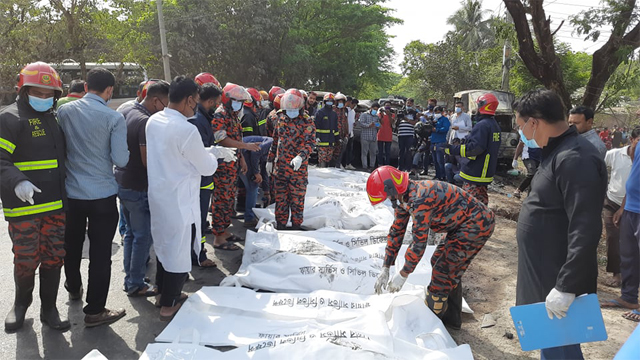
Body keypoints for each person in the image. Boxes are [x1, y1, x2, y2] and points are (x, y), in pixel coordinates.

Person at [514, 89, 607, 360]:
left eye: (521, 126)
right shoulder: (557, 153)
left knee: (561, 349)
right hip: (544, 272)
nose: (522, 133)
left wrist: (567, 285)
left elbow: (585, 226)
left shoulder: (576, 159)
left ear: (534, 122)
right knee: (552, 344)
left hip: (557, 276)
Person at [146, 75, 233, 320]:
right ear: (188, 99)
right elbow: (206, 168)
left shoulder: (154, 121)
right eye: (195, 101)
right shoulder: (186, 128)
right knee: (178, 250)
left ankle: (163, 294)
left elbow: (176, 153)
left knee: (163, 246)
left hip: (160, 194)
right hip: (180, 199)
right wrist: (216, 155)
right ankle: (169, 304)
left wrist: (210, 149)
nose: (195, 106)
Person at [369, 166, 495, 329]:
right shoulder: (403, 198)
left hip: (477, 224)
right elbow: (396, 232)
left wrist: (403, 274)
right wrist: (386, 267)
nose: (386, 201)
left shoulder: (420, 199)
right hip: (460, 224)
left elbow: (419, 243)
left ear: (392, 189)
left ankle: (430, 327)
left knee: (443, 272)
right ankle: (452, 319)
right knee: (439, 261)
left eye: (385, 197)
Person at [57, 67, 130, 327]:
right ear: (109, 90)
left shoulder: (64, 111)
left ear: (86, 87)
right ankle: (95, 310)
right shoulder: (113, 118)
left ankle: (73, 287)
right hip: (102, 195)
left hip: (72, 194)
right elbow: (121, 159)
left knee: (72, 244)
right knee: (100, 253)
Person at [1, 62, 69, 331]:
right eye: (37, 93)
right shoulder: (10, 118)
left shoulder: (54, 118)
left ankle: (49, 309)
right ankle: (20, 305)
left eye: (48, 94)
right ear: (23, 89)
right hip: (23, 207)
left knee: (54, 257)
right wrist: (18, 181)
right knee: (26, 259)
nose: (43, 98)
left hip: (55, 205)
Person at [115, 80, 170, 297]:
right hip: (138, 186)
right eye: (165, 103)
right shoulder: (146, 122)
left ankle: (131, 277)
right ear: (156, 100)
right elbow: (149, 162)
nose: (166, 108)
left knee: (130, 233)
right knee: (142, 237)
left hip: (122, 181)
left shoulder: (128, 110)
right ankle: (135, 283)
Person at [211, 83, 260, 249]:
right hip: (222, 167)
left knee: (229, 200)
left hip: (232, 165)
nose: (239, 104)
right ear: (227, 99)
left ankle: (224, 231)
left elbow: (235, 140)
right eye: (236, 100)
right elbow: (221, 139)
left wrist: (242, 160)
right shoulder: (221, 115)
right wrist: (245, 146)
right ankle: (218, 237)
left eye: (241, 101)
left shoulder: (233, 116)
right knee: (221, 201)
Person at [601, 126, 640, 321]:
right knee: (629, 255)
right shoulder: (637, 147)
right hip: (631, 207)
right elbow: (633, 178)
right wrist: (624, 205)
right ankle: (629, 298)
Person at [266, 89, 315, 230]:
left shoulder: (307, 122)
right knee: (281, 200)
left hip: (297, 171)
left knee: (297, 201)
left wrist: (301, 157)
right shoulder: (280, 118)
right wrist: (270, 160)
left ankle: (296, 226)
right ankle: (280, 225)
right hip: (280, 169)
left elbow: (309, 143)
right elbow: (275, 141)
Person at [188, 78, 223, 267]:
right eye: (216, 103)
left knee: (199, 219)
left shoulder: (202, 117)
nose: (216, 107)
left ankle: (196, 254)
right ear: (210, 101)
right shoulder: (198, 120)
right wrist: (216, 153)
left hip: (204, 180)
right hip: (200, 180)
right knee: (198, 220)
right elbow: (200, 151)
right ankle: (198, 256)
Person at [446, 93, 501, 205]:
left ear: (482, 106)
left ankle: (474, 222)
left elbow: (475, 148)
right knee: (481, 204)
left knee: (469, 205)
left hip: (476, 173)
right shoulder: (493, 125)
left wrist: (452, 149)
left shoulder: (482, 125)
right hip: (485, 171)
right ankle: (483, 221)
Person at [314, 93, 339, 168]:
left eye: (331, 101)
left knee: (329, 159)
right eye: (328, 101)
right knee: (322, 159)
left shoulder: (334, 114)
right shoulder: (320, 113)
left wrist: (338, 138)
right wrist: (317, 137)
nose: (329, 102)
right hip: (322, 141)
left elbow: (335, 128)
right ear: (325, 102)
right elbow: (316, 126)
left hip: (331, 141)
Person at [430, 106, 450, 181]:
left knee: (440, 160)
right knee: (435, 160)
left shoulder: (444, 119)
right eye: (435, 112)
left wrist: (436, 129)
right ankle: (437, 174)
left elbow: (446, 128)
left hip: (440, 141)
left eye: (438, 112)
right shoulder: (433, 120)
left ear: (441, 112)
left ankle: (443, 175)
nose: (436, 114)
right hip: (433, 141)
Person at [358, 102, 380, 171]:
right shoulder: (364, 114)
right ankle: (365, 166)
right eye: (374, 109)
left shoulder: (376, 117)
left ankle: (372, 166)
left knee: (373, 153)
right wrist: (368, 125)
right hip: (365, 136)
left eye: (376, 110)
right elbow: (360, 123)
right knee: (364, 152)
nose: (375, 111)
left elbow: (378, 125)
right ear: (371, 108)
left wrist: (378, 125)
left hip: (373, 137)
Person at [377, 101, 394, 166]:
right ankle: (380, 164)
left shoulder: (392, 114)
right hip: (381, 134)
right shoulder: (380, 114)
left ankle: (387, 164)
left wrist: (389, 114)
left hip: (388, 135)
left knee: (388, 152)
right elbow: (380, 122)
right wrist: (381, 115)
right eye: (386, 106)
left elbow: (391, 122)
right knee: (380, 151)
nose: (387, 107)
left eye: (388, 106)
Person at [334, 93, 349, 169]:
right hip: (334, 135)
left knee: (341, 151)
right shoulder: (333, 110)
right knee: (333, 152)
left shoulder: (344, 110)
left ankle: (337, 165)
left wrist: (346, 134)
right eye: (339, 102)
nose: (340, 103)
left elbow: (346, 122)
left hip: (342, 135)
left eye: (342, 102)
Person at [342, 97, 358, 170]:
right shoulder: (346, 110)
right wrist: (346, 132)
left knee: (349, 149)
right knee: (343, 149)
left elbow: (352, 121)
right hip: (345, 132)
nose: (353, 106)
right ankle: (342, 163)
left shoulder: (353, 111)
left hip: (351, 133)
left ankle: (348, 163)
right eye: (353, 104)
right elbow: (345, 122)